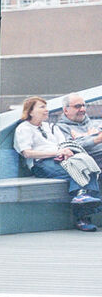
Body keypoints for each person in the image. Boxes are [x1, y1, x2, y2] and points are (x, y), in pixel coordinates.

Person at [15, 95, 100, 232]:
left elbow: (62, 144)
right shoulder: (24, 128)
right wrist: (56, 153)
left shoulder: (51, 127)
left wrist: (65, 151)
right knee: (79, 171)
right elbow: (27, 153)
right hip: (41, 164)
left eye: (46, 107)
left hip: (61, 159)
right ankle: (82, 206)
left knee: (88, 167)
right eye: (42, 107)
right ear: (30, 111)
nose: (47, 110)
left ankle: (82, 198)